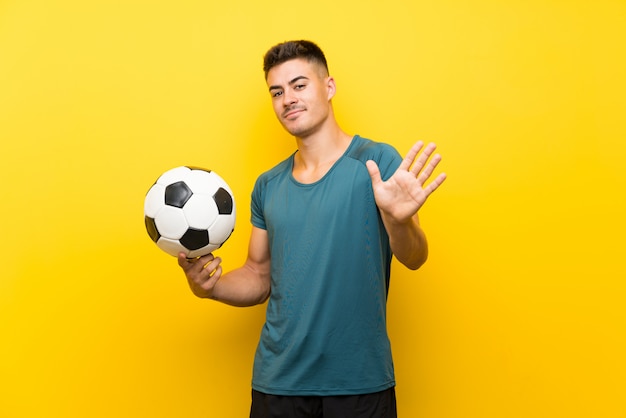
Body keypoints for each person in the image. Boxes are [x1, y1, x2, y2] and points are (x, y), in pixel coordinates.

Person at [178, 40, 446, 417]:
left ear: (329, 87)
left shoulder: (378, 162)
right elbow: (258, 275)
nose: (288, 98)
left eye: (299, 84)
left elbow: (415, 257)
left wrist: (399, 221)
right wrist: (210, 287)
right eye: (277, 91)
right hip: (279, 384)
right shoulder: (268, 185)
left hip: (360, 383)